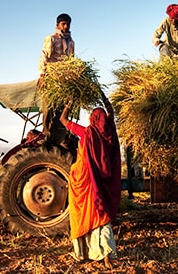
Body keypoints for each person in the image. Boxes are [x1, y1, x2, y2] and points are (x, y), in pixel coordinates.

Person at [60, 92, 121, 269]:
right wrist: (102, 96)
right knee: (101, 215)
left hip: (84, 180)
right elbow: (111, 112)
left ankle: (84, 252)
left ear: (93, 119)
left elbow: (63, 120)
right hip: (101, 182)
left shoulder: (87, 132)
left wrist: (70, 102)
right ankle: (107, 253)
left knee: (83, 213)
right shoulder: (110, 131)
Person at [38, 13, 75, 146]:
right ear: (57, 25)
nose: (65, 26)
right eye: (63, 24)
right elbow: (44, 57)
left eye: (68, 24)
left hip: (64, 81)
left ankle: (59, 138)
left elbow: (71, 61)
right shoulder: (51, 39)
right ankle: (46, 135)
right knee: (48, 107)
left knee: (62, 109)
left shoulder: (71, 42)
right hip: (51, 78)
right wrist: (42, 76)